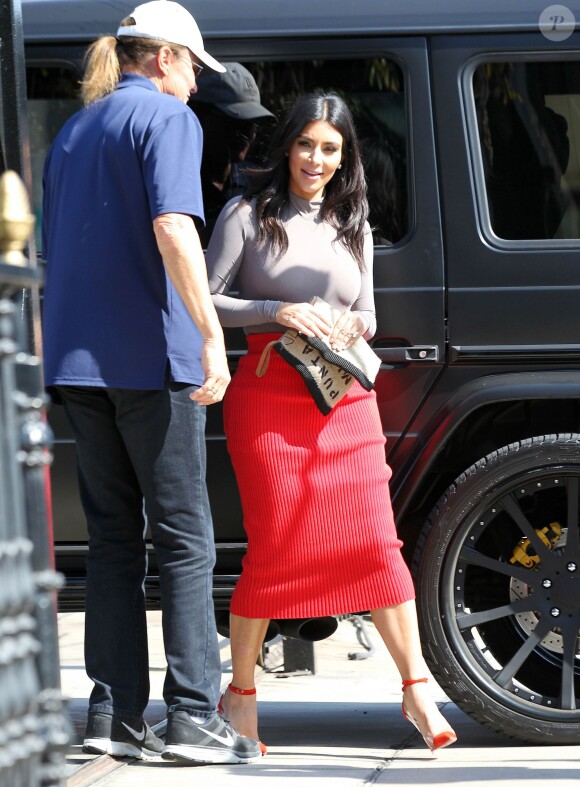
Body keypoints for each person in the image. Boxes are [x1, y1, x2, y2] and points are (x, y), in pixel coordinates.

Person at [204, 92, 458, 755]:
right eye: (307, 144)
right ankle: (242, 695)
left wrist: (352, 322)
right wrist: (275, 310)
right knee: (276, 546)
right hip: (269, 399)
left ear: (345, 156)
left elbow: (368, 312)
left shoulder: (354, 218)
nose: (316, 159)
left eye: (331, 148)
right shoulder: (246, 213)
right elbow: (203, 298)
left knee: (378, 544)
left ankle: (413, 686)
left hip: (345, 401)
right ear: (287, 145)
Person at [41, 0, 261, 766]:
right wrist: (209, 335)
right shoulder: (168, 122)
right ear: (166, 58)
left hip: (77, 362)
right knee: (186, 536)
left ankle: (114, 711)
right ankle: (195, 714)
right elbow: (175, 228)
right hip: (151, 359)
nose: (196, 87)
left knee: (110, 542)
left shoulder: (72, 131)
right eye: (194, 71)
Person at [189, 62, 274, 246]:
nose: (249, 134)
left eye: (254, 124)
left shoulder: (258, 185)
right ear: (199, 117)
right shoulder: (178, 186)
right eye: (236, 121)